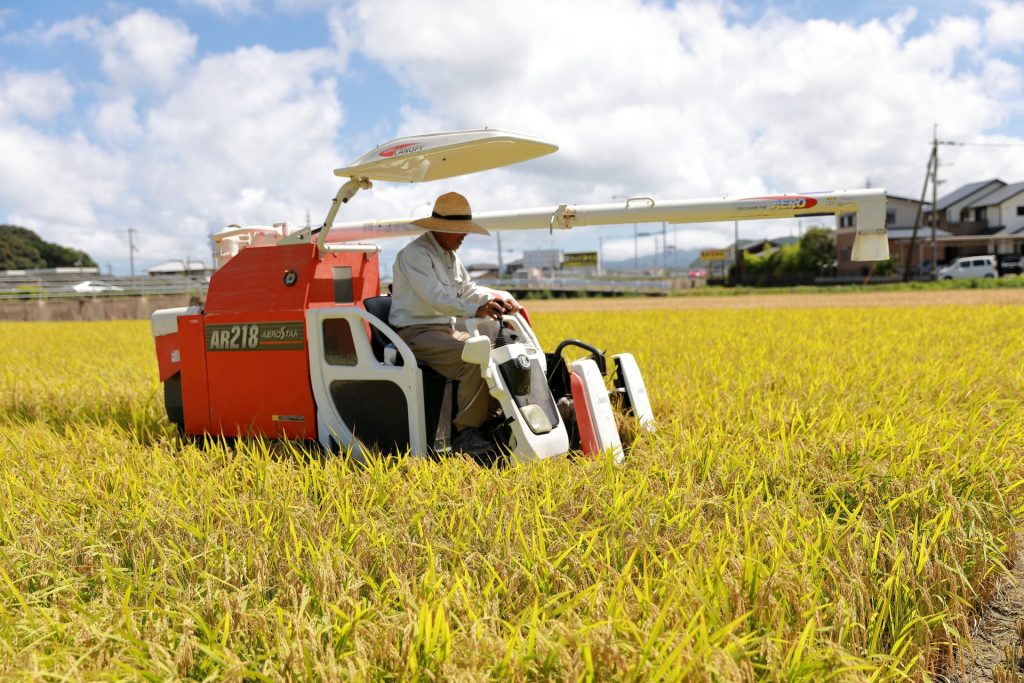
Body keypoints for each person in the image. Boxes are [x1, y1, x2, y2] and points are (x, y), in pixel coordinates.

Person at [390, 191, 519, 455]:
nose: (464, 236)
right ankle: (466, 434)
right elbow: (436, 297)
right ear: (441, 228)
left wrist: (492, 300)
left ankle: (488, 422)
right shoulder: (415, 254)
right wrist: (476, 309)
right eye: (459, 230)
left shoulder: (449, 255)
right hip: (415, 333)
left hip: (443, 331)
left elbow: (468, 289)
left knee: (490, 355)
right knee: (471, 360)